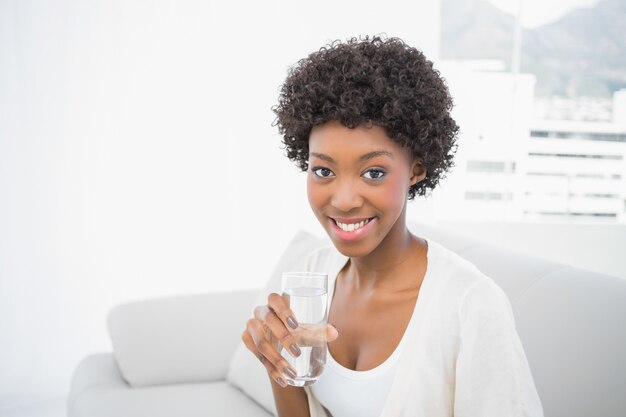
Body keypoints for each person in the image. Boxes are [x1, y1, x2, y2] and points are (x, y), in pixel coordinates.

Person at [241, 35, 544, 417]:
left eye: (373, 172)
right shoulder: (313, 274)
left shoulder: (471, 306)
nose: (344, 199)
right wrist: (279, 367)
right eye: (323, 170)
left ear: (416, 170)